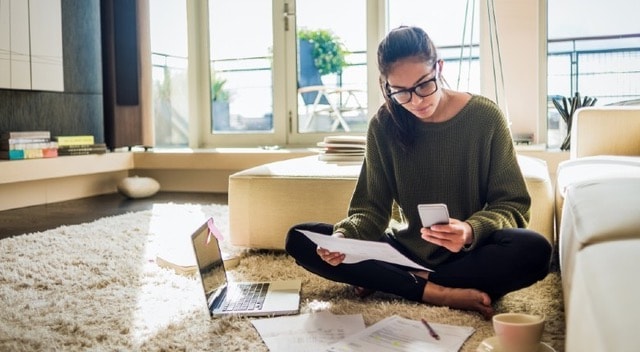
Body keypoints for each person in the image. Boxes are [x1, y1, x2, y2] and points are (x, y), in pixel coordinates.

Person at [284, 26, 552, 319]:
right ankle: (435, 292)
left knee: (535, 250)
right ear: (387, 86)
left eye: (424, 85)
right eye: (401, 92)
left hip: (465, 256)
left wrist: (470, 230)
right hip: (403, 250)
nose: (417, 101)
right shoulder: (383, 126)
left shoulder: (486, 118)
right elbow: (371, 210)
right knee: (300, 238)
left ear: (439, 68)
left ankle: (395, 281)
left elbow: (513, 205)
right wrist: (345, 236)